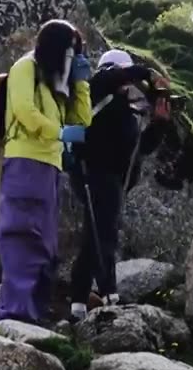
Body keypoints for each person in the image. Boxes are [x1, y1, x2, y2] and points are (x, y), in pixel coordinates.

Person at [0, 19, 92, 324]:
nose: (71, 58)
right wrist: (60, 133)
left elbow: (83, 120)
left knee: (45, 244)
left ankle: (33, 315)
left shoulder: (55, 82)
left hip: (50, 167)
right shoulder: (26, 68)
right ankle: (14, 314)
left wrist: (81, 82)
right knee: (22, 236)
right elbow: (24, 110)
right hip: (24, 161)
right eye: (70, 51)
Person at [67, 48, 172, 320]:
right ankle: (105, 294)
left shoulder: (128, 110)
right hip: (92, 171)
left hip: (113, 178)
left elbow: (140, 148)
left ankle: (81, 299)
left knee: (99, 234)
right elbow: (110, 79)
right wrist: (148, 73)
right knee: (104, 234)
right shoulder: (97, 89)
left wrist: (159, 124)